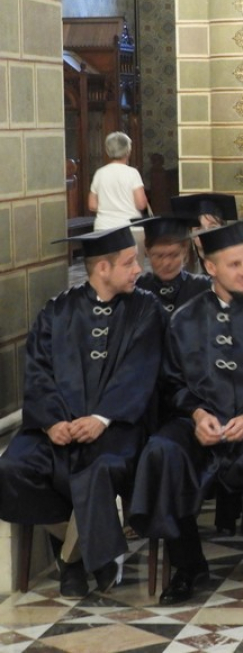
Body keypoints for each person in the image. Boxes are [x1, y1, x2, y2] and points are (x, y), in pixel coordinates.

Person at [129, 221, 243, 604]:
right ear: (211, 268)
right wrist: (196, 414)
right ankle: (187, 563)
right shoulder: (184, 319)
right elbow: (171, 382)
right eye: (234, 264)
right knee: (162, 451)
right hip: (200, 424)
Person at [0, 226, 163, 597]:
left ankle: (70, 561)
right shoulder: (57, 312)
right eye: (129, 262)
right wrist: (51, 422)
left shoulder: (146, 310)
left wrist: (102, 417)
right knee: (11, 469)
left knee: (97, 470)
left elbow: (139, 371)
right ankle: (90, 551)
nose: (138, 269)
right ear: (103, 268)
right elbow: (38, 371)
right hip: (58, 427)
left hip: (117, 426)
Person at [89, 132, 148, 262]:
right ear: (128, 151)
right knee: (132, 269)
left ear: (107, 150)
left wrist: (109, 207)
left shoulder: (99, 173)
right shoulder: (132, 173)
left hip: (103, 228)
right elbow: (140, 204)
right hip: (129, 228)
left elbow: (92, 205)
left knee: (108, 267)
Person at [135, 216, 211, 314]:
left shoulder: (203, 287)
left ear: (184, 252)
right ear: (147, 252)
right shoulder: (138, 289)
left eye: (174, 255)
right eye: (159, 256)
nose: (166, 263)